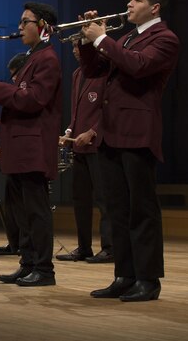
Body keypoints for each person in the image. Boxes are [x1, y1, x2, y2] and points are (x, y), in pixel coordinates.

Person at [79, 0, 179, 302]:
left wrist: (103, 38)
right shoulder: (126, 38)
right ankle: (124, 275)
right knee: (117, 209)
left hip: (137, 132)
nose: (129, 4)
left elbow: (138, 66)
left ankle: (148, 280)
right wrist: (87, 39)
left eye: (136, 0)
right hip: (110, 132)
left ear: (155, 7)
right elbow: (94, 70)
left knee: (142, 209)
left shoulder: (165, 38)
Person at [0, 2, 62, 287]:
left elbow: (34, 99)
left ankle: (44, 269)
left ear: (43, 26)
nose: (20, 27)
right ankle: (27, 263)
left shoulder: (47, 58)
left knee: (36, 211)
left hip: (32, 149)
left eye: (26, 22)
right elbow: (21, 104)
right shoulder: (31, 58)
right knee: (20, 212)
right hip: (19, 148)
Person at [56, 41, 113, 263]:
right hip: (79, 146)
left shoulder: (105, 71)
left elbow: (109, 109)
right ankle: (84, 247)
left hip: (98, 146)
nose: (74, 51)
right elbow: (77, 110)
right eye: (73, 47)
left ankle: (109, 247)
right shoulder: (77, 74)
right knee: (80, 199)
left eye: (78, 46)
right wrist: (69, 130)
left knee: (103, 199)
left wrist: (93, 132)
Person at [0, 52, 27, 256]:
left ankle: (23, 244)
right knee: (11, 205)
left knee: (21, 206)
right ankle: (14, 243)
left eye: (16, 74)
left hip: (23, 154)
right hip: (11, 155)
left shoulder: (25, 93)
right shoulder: (16, 91)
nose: (13, 79)